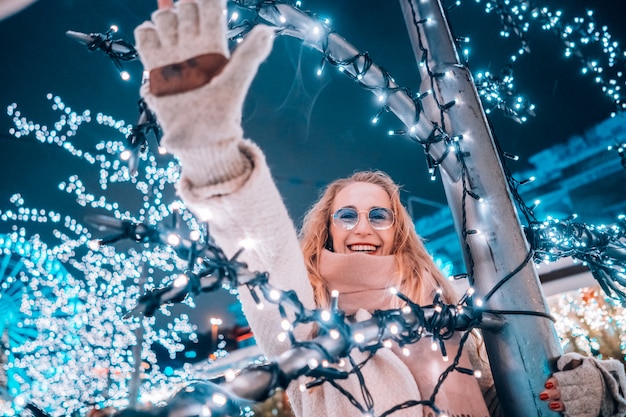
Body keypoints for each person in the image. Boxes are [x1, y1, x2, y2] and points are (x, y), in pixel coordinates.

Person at [131, 0, 626, 416]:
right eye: (347, 214)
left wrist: (595, 389)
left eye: (378, 214)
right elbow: (263, 260)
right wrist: (212, 152)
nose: (362, 226)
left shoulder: (448, 306)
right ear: (327, 230)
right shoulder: (309, 320)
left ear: (397, 230)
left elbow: (499, 399)